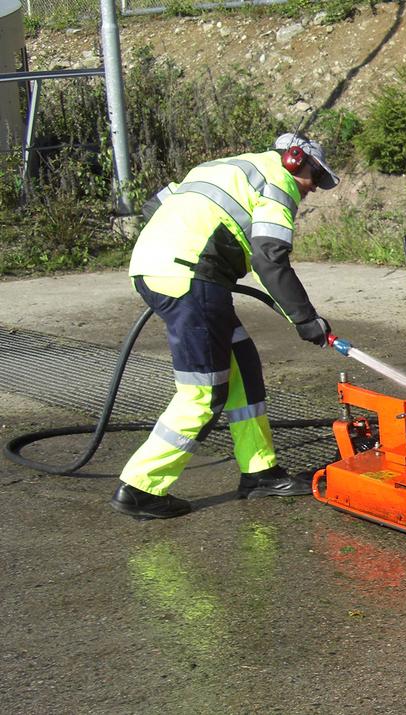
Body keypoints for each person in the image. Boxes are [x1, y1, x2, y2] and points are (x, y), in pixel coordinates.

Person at [110, 133, 339, 520]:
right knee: (203, 392)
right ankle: (140, 487)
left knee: (242, 363)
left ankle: (260, 472)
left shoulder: (224, 167)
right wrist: (305, 320)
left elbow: (157, 203)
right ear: (295, 159)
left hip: (166, 270)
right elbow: (270, 259)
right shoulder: (277, 182)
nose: (313, 188)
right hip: (191, 278)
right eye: (315, 177)